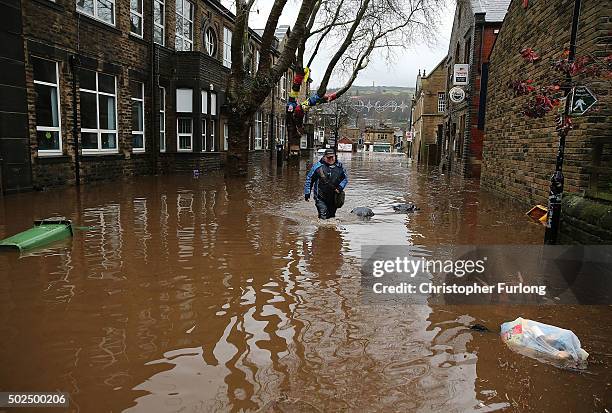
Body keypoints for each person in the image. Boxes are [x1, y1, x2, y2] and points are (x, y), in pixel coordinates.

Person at [304, 149, 348, 219]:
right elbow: (309, 179)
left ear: (335, 156)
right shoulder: (317, 167)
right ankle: (321, 229)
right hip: (320, 196)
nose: (331, 159)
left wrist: (340, 187)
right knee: (323, 216)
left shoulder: (340, 167)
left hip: (334, 196)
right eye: (328, 157)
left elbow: (345, 179)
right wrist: (307, 193)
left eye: (332, 157)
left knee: (331, 217)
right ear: (324, 157)